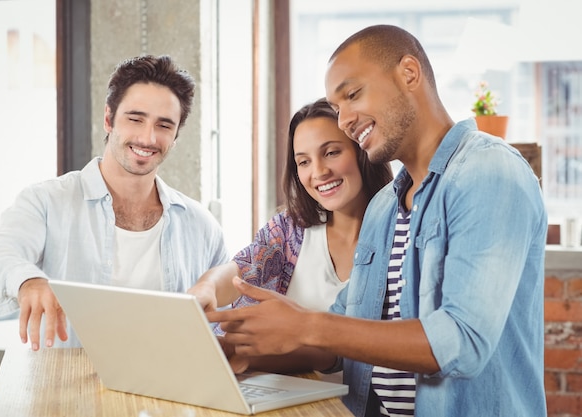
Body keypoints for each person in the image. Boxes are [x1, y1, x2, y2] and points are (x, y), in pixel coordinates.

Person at [206, 25, 548, 417]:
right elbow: (341, 336)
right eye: (338, 108)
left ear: (409, 73)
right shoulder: (384, 207)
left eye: (353, 94)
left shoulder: (488, 172)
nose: (346, 119)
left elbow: (463, 340)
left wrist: (308, 325)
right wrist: (239, 349)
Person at [0, 54, 230, 351]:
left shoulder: (200, 225)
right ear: (109, 119)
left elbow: (226, 317)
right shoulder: (47, 201)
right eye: (135, 119)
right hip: (67, 391)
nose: (148, 137)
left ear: (176, 136)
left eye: (164, 126)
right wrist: (29, 281)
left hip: (167, 394)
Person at [189, 97, 392, 333]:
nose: (319, 172)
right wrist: (207, 286)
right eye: (304, 162)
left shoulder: (401, 230)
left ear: (361, 150)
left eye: (331, 152)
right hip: (282, 372)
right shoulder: (289, 230)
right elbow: (241, 271)